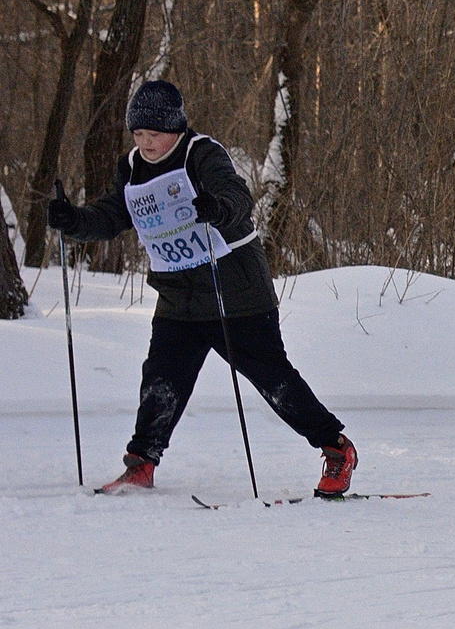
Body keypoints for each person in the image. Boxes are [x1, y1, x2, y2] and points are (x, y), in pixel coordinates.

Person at [51, 79, 358, 496]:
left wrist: (219, 208)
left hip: (235, 292)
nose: (146, 143)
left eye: (154, 133)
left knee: (274, 380)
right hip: (179, 297)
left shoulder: (202, 154)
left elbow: (236, 196)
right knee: (161, 379)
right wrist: (74, 221)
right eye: (138, 133)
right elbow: (112, 214)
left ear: (175, 128)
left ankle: (336, 447)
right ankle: (142, 462)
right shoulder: (132, 166)